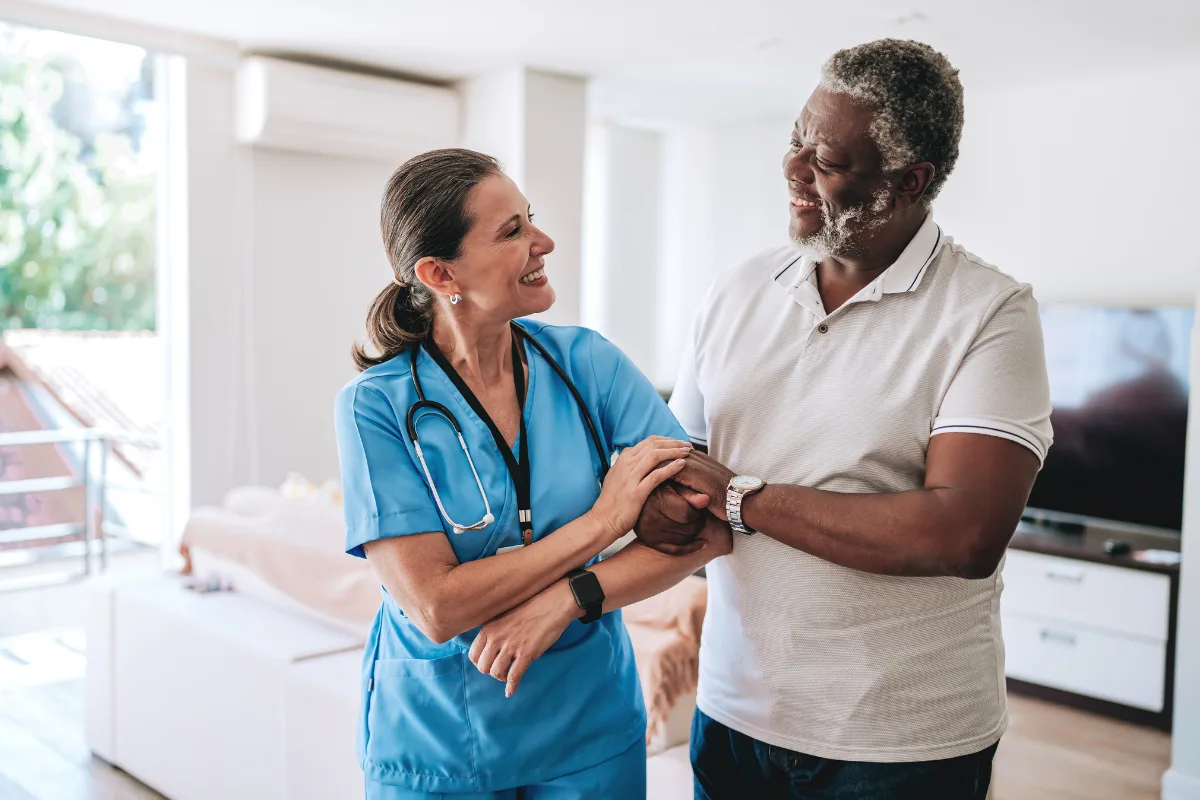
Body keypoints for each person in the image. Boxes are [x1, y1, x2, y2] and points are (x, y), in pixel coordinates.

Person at [635, 39, 1054, 799]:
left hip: (898, 740)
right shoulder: (735, 291)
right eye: (796, 140)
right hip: (733, 714)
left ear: (908, 181)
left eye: (826, 161)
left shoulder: (990, 313)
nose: (794, 170)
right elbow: (680, 465)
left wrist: (739, 497)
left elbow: (960, 534)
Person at [333, 148, 730, 799]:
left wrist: (569, 599)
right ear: (440, 272)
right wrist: (605, 520)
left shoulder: (589, 366)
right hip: (437, 745)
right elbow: (435, 606)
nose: (543, 242)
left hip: (590, 734)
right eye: (512, 231)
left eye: (530, 219)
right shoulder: (376, 407)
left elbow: (708, 524)